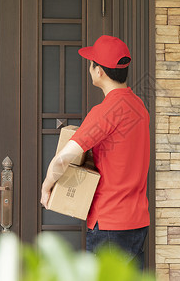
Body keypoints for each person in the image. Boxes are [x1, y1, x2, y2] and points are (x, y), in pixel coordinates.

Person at [40, 35, 150, 268]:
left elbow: (64, 158)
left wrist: (47, 185)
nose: (90, 69)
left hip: (110, 224)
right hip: (137, 221)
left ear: (99, 71)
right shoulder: (138, 106)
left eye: (91, 64)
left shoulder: (106, 111)